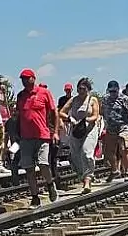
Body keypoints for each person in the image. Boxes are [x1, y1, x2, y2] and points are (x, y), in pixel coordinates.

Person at [16, 68, 59, 208]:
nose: (24, 81)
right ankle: (35, 197)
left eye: (27, 78)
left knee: (43, 163)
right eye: (22, 79)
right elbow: (17, 116)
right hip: (26, 137)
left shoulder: (44, 93)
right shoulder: (20, 96)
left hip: (42, 135)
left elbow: (54, 113)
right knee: (28, 168)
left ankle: (50, 184)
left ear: (33, 78)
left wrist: (55, 132)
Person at [59, 78, 100, 193]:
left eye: (83, 89)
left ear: (88, 89)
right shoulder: (73, 100)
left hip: (89, 129)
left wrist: (85, 119)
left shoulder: (92, 100)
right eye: (79, 89)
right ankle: (82, 176)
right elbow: (61, 112)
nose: (81, 91)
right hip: (76, 130)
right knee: (75, 155)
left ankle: (88, 180)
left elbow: (95, 115)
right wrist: (69, 118)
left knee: (86, 153)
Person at [101, 80, 128, 182]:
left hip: (122, 127)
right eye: (111, 91)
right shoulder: (105, 99)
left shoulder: (124, 98)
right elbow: (102, 112)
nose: (113, 93)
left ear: (118, 90)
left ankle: (126, 172)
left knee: (124, 148)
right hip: (110, 128)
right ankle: (115, 170)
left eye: (115, 91)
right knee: (109, 151)